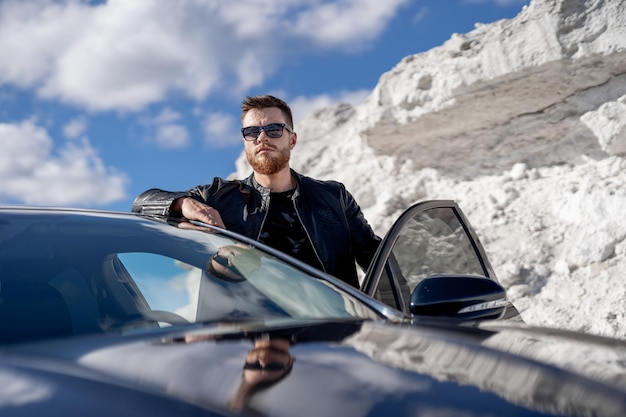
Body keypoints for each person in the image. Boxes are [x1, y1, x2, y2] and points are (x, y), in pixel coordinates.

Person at [131, 94, 380, 288]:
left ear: (292, 139)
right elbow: (141, 205)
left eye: (273, 130)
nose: (262, 137)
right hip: (241, 338)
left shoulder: (334, 198)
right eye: (252, 132)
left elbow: (380, 265)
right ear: (245, 142)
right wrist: (186, 204)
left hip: (332, 338)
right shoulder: (218, 197)